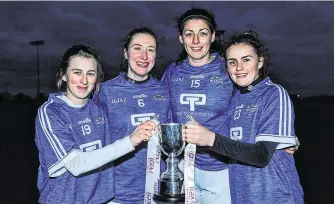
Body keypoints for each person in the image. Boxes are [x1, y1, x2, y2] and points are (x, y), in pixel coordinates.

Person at [183, 30, 304, 203]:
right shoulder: (234, 100)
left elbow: (261, 156)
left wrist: (211, 139)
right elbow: (232, 146)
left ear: (260, 61)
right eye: (232, 62)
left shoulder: (274, 93)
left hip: (276, 197)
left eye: (246, 60)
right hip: (243, 197)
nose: (239, 68)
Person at [35, 44, 155, 204]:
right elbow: (76, 165)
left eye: (90, 73)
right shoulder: (50, 112)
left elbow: (110, 155)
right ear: (63, 75)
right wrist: (131, 140)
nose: (84, 80)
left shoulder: (99, 111)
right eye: (77, 72)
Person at [161, 8, 234, 204]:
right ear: (180, 38)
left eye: (202, 33)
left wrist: (280, 138)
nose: (195, 41)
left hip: (221, 168)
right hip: (183, 166)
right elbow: (157, 108)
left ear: (212, 37)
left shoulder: (227, 68)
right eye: (189, 34)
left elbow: (252, 101)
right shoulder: (172, 72)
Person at [94, 27, 171, 204]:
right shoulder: (106, 91)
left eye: (150, 50)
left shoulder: (164, 91)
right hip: (117, 195)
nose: (144, 56)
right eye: (137, 48)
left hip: (157, 193)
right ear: (126, 53)